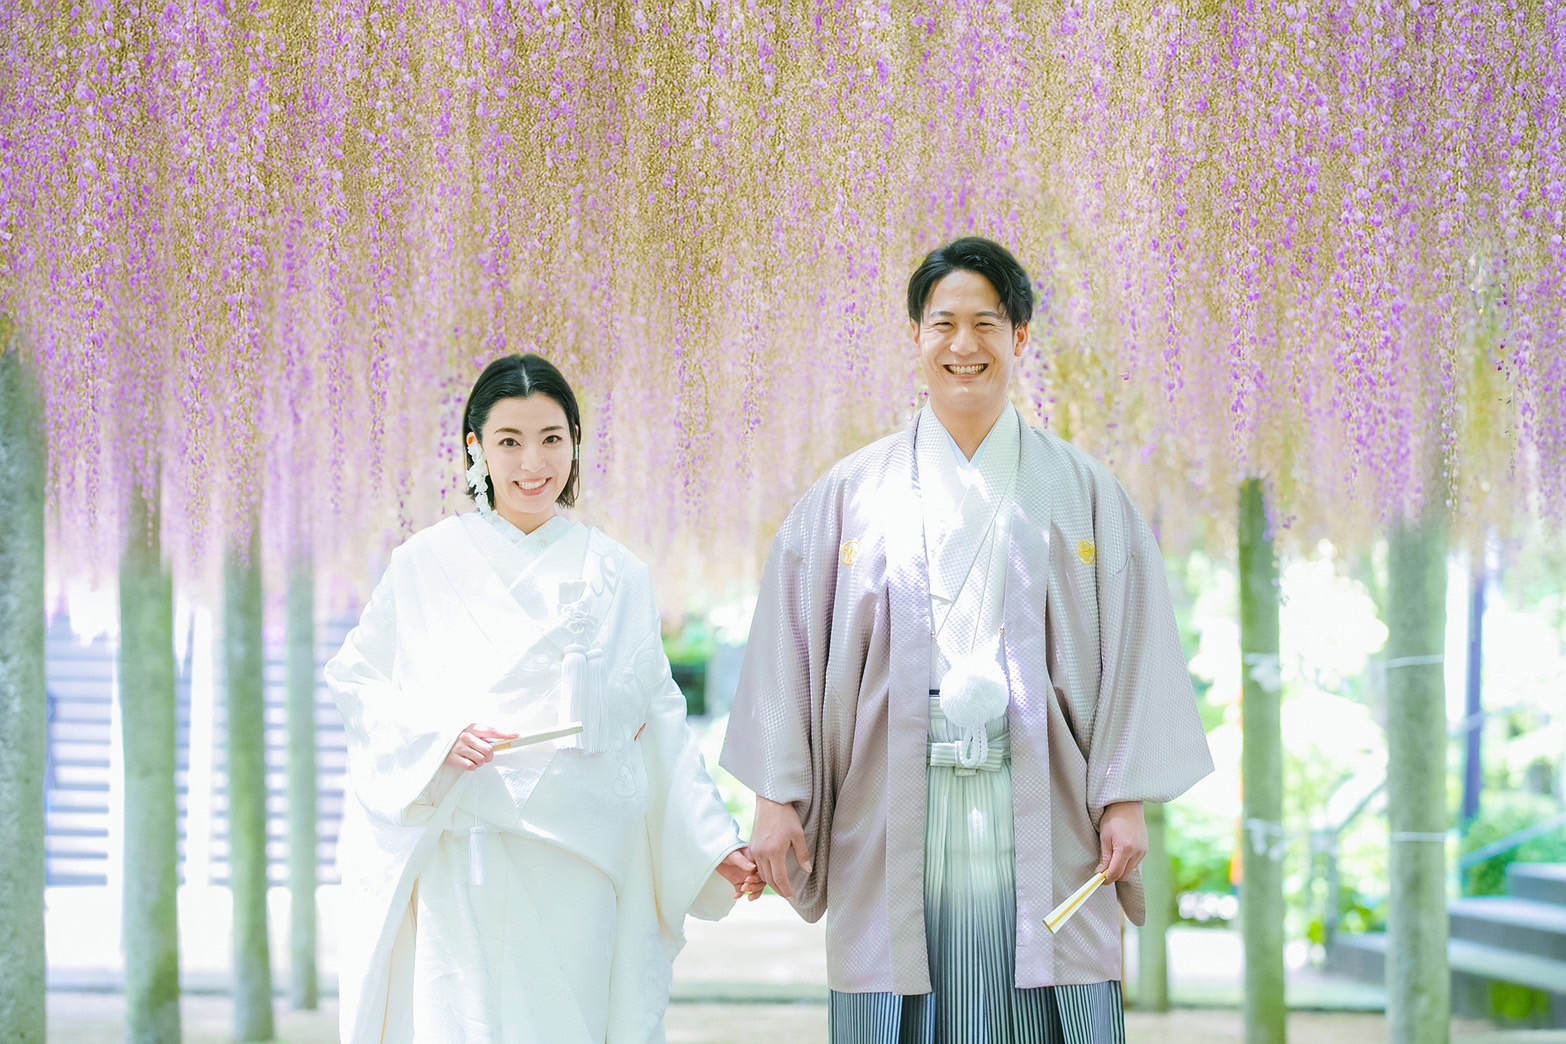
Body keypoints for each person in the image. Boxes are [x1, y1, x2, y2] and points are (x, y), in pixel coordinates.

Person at [720, 237, 1214, 1042]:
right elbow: (791, 645)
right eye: (943, 323)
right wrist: (777, 796)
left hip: (1046, 798)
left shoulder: (1084, 490)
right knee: (898, 986)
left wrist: (1124, 799)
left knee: (1043, 993)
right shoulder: (851, 492)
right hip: (892, 791)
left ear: (1020, 337)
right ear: (915, 334)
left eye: (986, 324)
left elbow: (1133, 647)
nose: (963, 345)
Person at [329, 353, 761, 1044]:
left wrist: (710, 843)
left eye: (551, 438)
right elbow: (359, 681)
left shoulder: (618, 573)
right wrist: (437, 739)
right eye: (510, 441)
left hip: (580, 854)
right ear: (476, 446)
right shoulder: (424, 563)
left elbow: (657, 717)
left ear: (575, 442)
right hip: (467, 852)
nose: (533, 463)